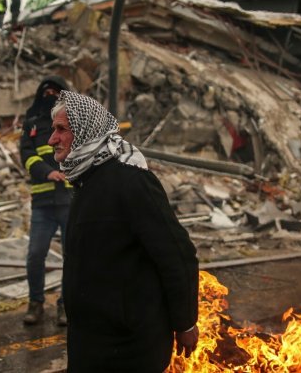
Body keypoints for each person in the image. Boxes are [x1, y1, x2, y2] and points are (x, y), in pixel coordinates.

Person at [49, 90, 199, 372]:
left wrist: (185, 322)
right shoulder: (85, 181)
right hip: (90, 342)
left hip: (130, 347)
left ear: (85, 131)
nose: (52, 140)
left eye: (61, 130)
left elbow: (177, 255)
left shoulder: (132, 182)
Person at [19, 76, 73, 327]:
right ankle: (36, 303)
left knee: (72, 256)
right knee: (35, 255)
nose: (50, 95)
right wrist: (46, 172)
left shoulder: (73, 122)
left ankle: (66, 305)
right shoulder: (31, 123)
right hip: (42, 201)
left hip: (69, 200)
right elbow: (26, 155)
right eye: (47, 91)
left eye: (56, 92)